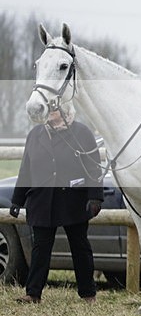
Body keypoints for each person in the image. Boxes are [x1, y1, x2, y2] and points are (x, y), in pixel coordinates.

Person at [9, 108, 103, 304]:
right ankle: (33, 293)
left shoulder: (81, 132)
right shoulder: (35, 134)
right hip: (42, 201)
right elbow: (26, 169)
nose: (51, 112)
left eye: (55, 108)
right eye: (48, 109)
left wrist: (95, 197)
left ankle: (88, 294)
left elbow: (94, 167)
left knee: (80, 247)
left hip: (73, 201)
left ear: (66, 109)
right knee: (40, 249)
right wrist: (17, 200)